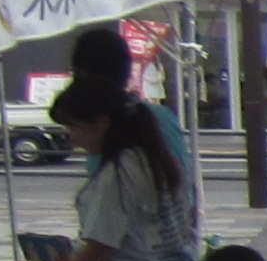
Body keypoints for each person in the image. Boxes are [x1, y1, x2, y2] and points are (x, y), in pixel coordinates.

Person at [0, 84, 202, 261]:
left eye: (74, 126)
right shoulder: (158, 161)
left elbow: (99, 250)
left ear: (102, 122)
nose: (72, 137)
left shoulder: (119, 175)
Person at [69, 26, 199, 239]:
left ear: (83, 73)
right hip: (176, 253)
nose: (73, 138)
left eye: (73, 127)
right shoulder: (163, 117)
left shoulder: (109, 138)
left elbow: (102, 237)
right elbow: (187, 196)